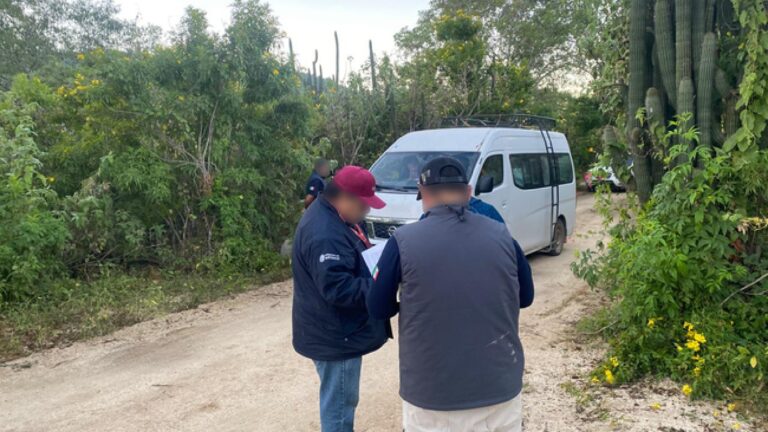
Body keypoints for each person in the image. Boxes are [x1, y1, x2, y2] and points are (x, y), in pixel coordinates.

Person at [367, 157, 534, 432]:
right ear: (468, 193)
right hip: (499, 388)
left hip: (431, 394)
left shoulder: (402, 241)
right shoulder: (503, 235)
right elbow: (526, 297)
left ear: (425, 194)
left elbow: (377, 307)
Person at [292, 165, 391, 432]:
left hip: (335, 330)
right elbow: (338, 288)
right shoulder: (326, 234)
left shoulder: (335, 216)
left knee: (341, 400)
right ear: (344, 197)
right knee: (339, 407)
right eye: (364, 205)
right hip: (336, 336)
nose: (367, 212)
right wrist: (384, 287)